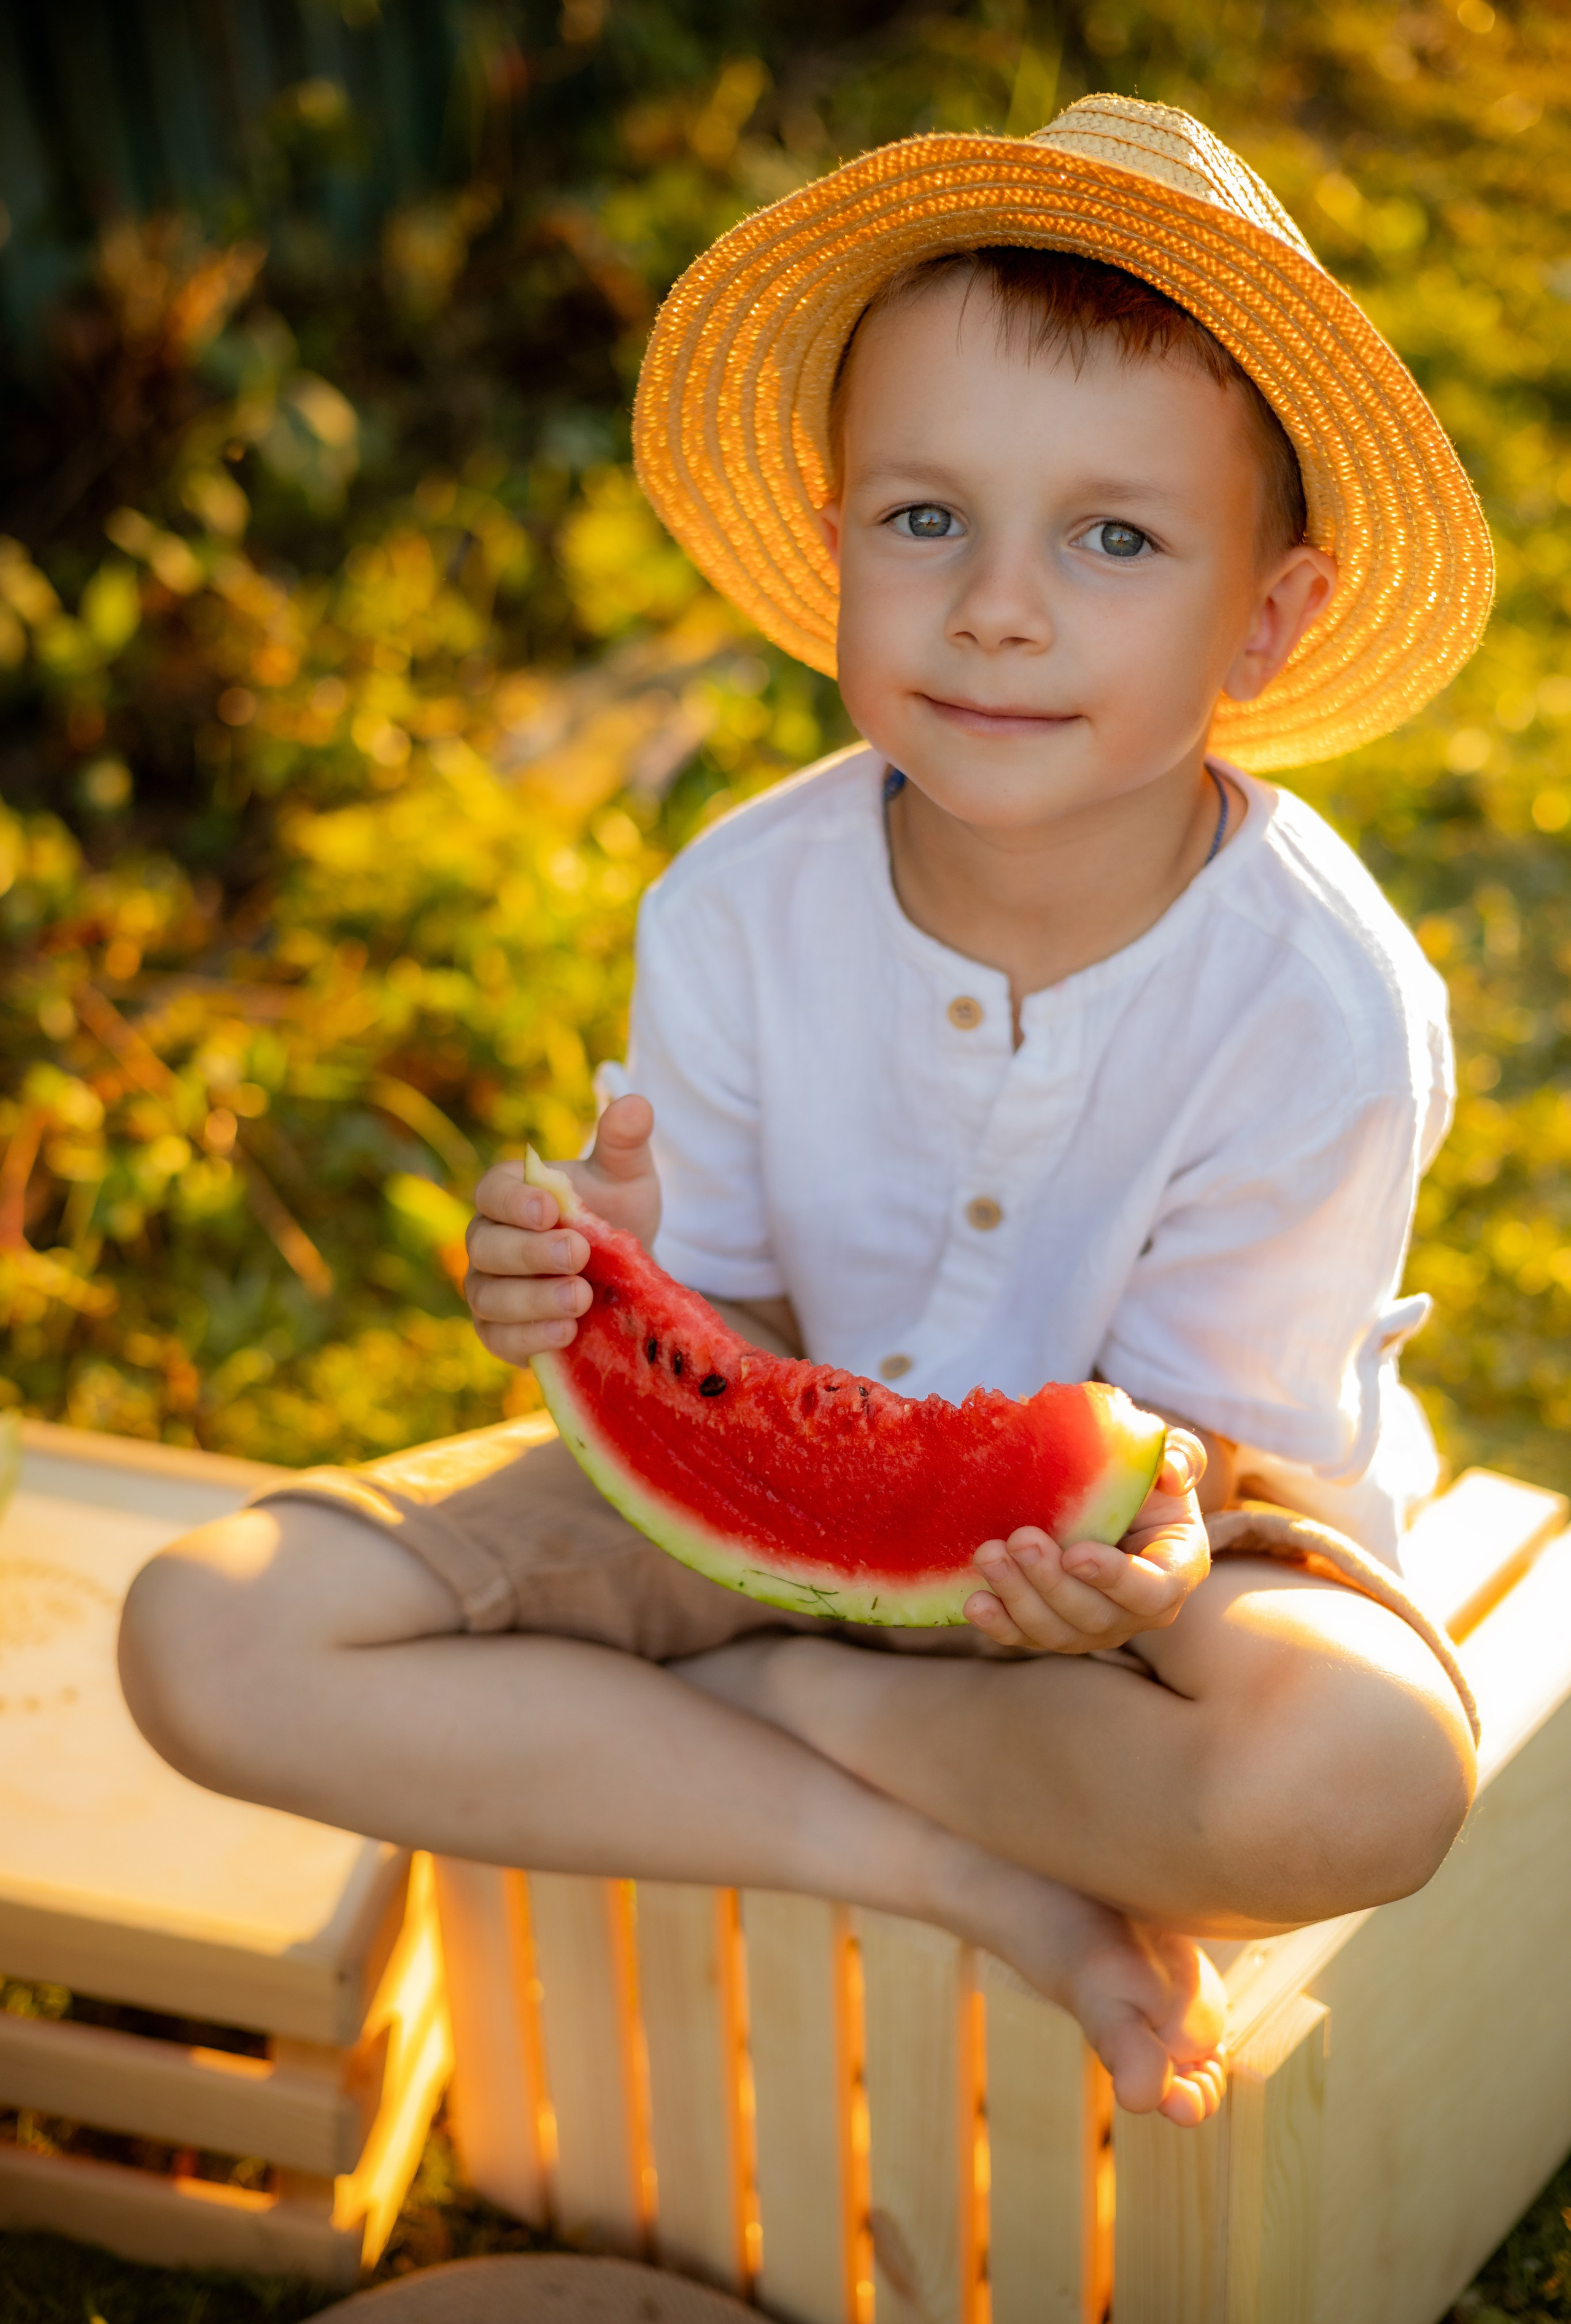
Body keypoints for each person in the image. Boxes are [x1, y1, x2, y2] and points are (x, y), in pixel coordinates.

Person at [120, 96, 1493, 2130]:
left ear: (1266, 619)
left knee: (1366, 1779)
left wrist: (1124, 1572)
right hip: (771, 1502)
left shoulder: (1324, 1003)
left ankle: (781, 1709)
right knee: (205, 1638)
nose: (998, 608)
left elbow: (1209, 1458)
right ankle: (940, 1866)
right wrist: (606, 1287)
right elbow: (738, 1356)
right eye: (925, 517)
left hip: (1172, 1569)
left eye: (1114, 538)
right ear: (836, 534)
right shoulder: (739, 906)